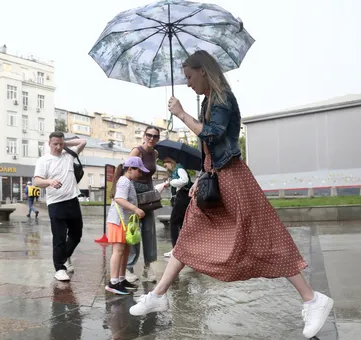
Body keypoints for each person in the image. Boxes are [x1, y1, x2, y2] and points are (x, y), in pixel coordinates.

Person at [128, 50, 334, 339]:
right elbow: (208, 148)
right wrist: (202, 175)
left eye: (189, 76)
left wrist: (181, 113)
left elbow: (211, 135)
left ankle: (312, 299)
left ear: (203, 71)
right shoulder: (209, 100)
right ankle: (159, 294)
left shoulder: (222, 97)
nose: (187, 84)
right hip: (216, 177)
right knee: (188, 236)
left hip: (234, 177)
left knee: (266, 236)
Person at [33, 132, 87, 281]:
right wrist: (50, 182)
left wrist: (65, 144)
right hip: (55, 203)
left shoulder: (68, 155)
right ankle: (59, 268)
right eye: (54, 144)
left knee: (76, 234)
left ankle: (64, 257)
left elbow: (83, 141)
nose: (57, 147)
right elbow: (37, 181)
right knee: (59, 237)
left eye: (60, 144)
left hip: (72, 200)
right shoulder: (44, 160)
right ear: (49, 144)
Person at [105, 157, 148, 295]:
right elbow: (119, 199)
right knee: (118, 251)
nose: (141, 174)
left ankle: (121, 279)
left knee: (125, 251)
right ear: (130, 169)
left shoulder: (127, 181)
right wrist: (135, 209)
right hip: (118, 221)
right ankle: (113, 282)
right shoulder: (124, 181)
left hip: (125, 222)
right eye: (139, 171)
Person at [125, 126, 160, 283]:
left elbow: (150, 173)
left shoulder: (156, 153)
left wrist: (152, 191)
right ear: (144, 136)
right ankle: (128, 267)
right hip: (134, 190)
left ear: (158, 138)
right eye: (149, 135)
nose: (151, 138)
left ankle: (147, 267)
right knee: (133, 228)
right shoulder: (137, 151)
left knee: (149, 229)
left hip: (148, 192)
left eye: (155, 136)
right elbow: (126, 171)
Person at [161, 157, 191, 257]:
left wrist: (171, 182)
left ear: (170, 162)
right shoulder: (176, 171)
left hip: (182, 197)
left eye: (166, 165)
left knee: (173, 223)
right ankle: (183, 249)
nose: (166, 168)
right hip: (183, 197)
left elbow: (184, 180)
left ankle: (175, 249)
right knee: (182, 224)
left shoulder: (179, 169)